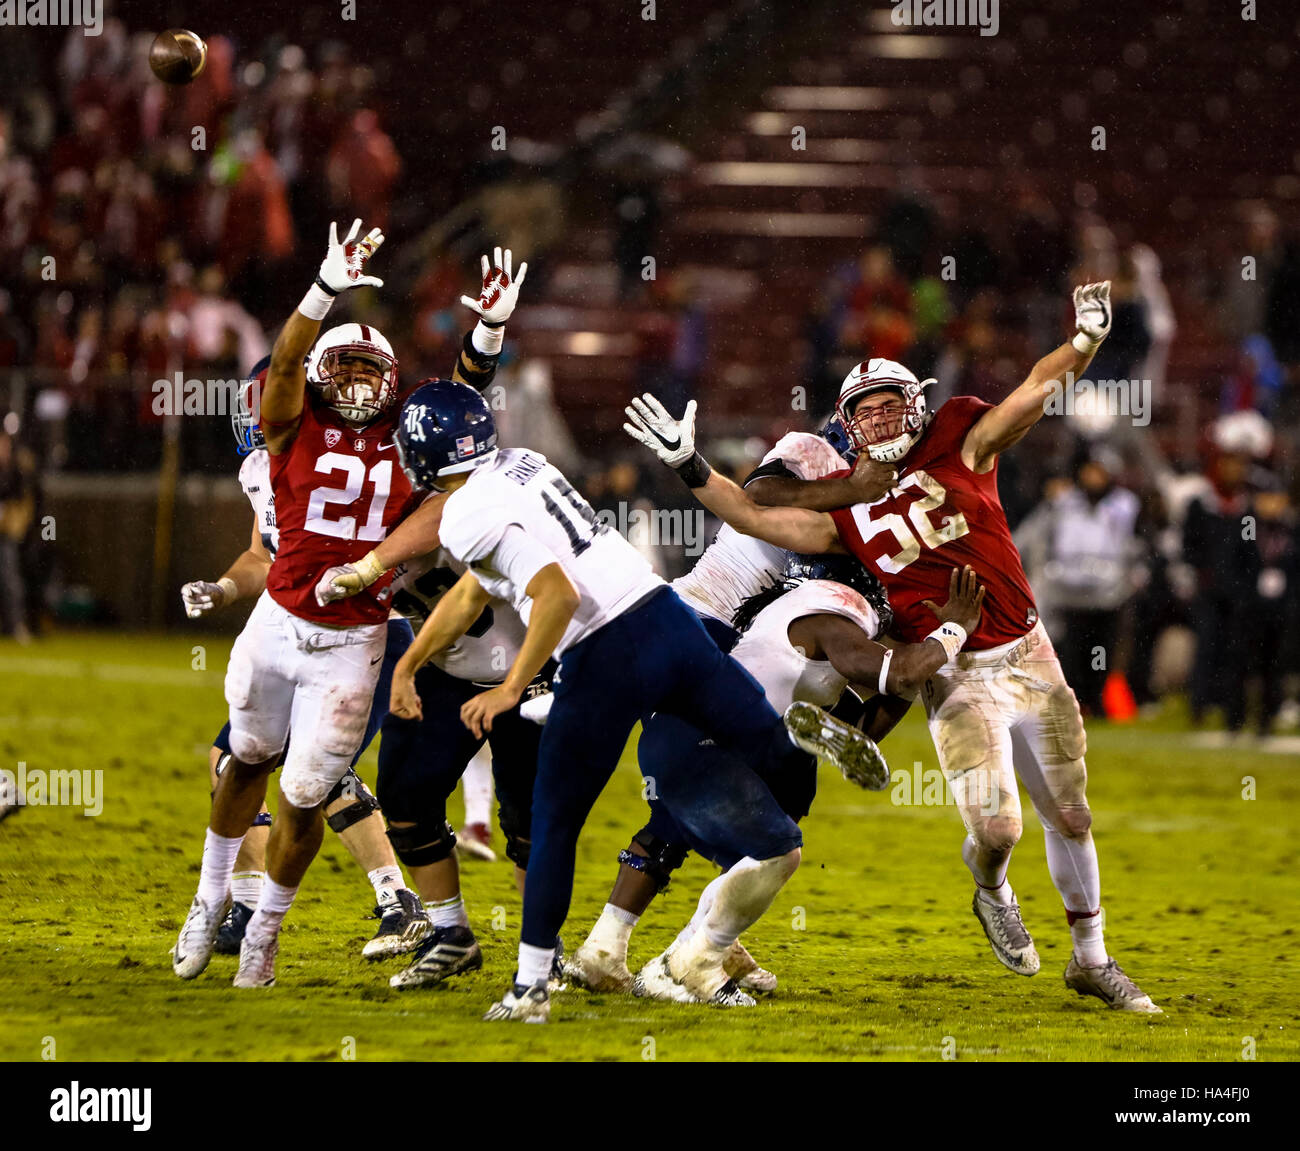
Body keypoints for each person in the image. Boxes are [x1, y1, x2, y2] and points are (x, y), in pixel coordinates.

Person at [623, 280, 1161, 1013]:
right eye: (864, 410)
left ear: (919, 403)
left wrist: (1084, 344)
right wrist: (689, 466)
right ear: (848, 424)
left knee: (1070, 813)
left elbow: (1034, 390)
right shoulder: (847, 505)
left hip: (1029, 651)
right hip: (953, 669)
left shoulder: (962, 437)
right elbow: (752, 509)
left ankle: (1092, 958)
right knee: (999, 829)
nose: (879, 419)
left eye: (889, 403)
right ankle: (992, 887)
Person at [391, 380, 888, 1021]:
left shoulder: (462, 513)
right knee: (769, 750)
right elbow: (474, 592)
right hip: (669, 621)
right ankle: (795, 739)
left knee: (555, 827)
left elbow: (557, 596)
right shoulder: (524, 463)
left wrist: (513, 687)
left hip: (605, 654)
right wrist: (409, 662)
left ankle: (532, 985)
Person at [171, 218, 419, 988]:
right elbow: (262, 551)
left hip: (367, 632)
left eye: (362, 369)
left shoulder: (405, 444)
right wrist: (221, 585)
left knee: (312, 787)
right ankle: (225, 900)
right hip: (284, 622)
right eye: (336, 368)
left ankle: (371, 900)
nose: (351, 385)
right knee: (238, 759)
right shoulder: (277, 455)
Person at [579, 555, 985, 1002]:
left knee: (687, 831)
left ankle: (606, 948)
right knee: (776, 848)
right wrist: (952, 631)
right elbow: (897, 670)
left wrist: (912, 675)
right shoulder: (832, 613)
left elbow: (862, 734)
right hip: (701, 747)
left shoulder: (800, 630)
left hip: (694, 740)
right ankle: (692, 961)